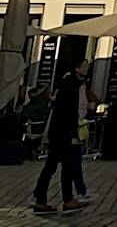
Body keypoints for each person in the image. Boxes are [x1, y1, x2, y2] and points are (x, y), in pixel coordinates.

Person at [30, 65, 88, 217]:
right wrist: (73, 132)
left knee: (54, 166)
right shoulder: (71, 86)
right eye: (84, 65)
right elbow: (70, 112)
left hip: (58, 133)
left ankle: (41, 198)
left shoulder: (66, 85)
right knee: (65, 167)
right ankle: (66, 200)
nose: (87, 68)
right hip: (63, 133)